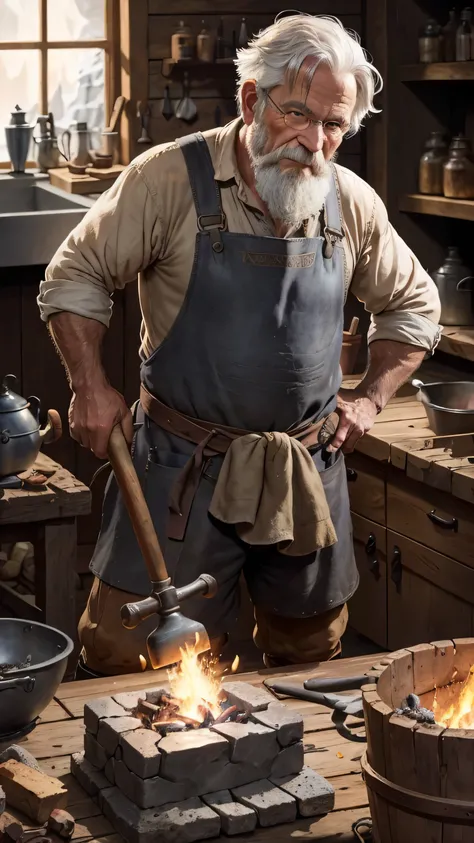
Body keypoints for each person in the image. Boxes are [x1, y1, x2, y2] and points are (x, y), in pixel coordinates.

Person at [38, 13, 441, 678]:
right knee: (128, 659)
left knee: (309, 655)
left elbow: (414, 305)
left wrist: (369, 398)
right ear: (253, 99)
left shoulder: (350, 203)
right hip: (180, 474)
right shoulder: (168, 179)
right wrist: (89, 384)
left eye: (334, 126)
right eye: (299, 115)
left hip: (304, 471)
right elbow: (75, 274)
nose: (315, 143)